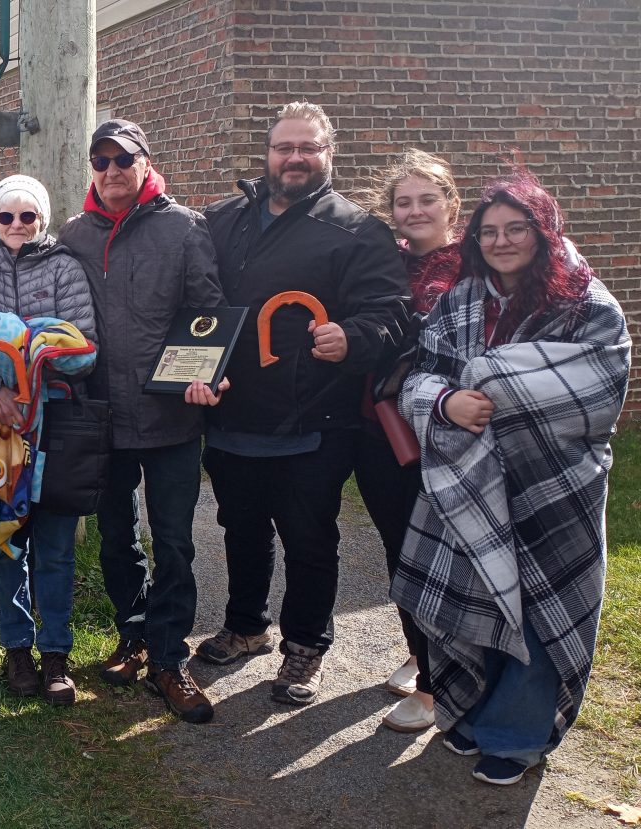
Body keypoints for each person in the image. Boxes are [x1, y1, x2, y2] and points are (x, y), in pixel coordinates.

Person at [393, 169, 630, 785]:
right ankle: (470, 713)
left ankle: (516, 737)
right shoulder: (461, 299)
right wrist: (447, 404)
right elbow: (421, 376)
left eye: (516, 228)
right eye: (489, 231)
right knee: (476, 601)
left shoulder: (587, 303)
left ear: (543, 231)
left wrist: (486, 382)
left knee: (541, 610)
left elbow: (597, 390)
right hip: (471, 479)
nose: (501, 241)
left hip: (558, 485)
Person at [197, 102, 408, 707]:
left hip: (314, 420)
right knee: (240, 527)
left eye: (307, 148)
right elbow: (195, 306)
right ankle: (246, 626)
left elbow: (393, 314)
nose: (294, 158)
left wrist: (355, 338)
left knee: (309, 538)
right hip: (233, 415)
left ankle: (306, 649)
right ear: (266, 154)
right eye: (283, 147)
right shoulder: (222, 220)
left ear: (328, 154)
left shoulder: (357, 229)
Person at [59, 119, 226, 724]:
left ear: (145, 163)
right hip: (101, 418)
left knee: (175, 540)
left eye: (121, 160)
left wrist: (211, 371)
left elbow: (206, 312)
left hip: (170, 416)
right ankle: (131, 634)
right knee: (116, 538)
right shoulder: (73, 236)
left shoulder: (183, 229)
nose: (110, 172)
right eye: (99, 162)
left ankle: (167, 655)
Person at [0, 174, 95, 706]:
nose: (17, 226)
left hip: (57, 429)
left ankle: (56, 652)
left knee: (57, 548)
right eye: (6, 217)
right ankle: (17, 649)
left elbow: (83, 345)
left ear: (42, 219)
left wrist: (32, 362)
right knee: (6, 538)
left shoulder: (64, 267)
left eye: (28, 216)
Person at [355, 149, 462, 733]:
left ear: (450, 203)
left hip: (449, 433)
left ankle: (437, 687)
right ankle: (423, 656)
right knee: (402, 550)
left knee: (443, 555)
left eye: (428, 198)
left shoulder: (476, 264)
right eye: (404, 201)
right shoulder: (383, 260)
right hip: (382, 431)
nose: (415, 210)